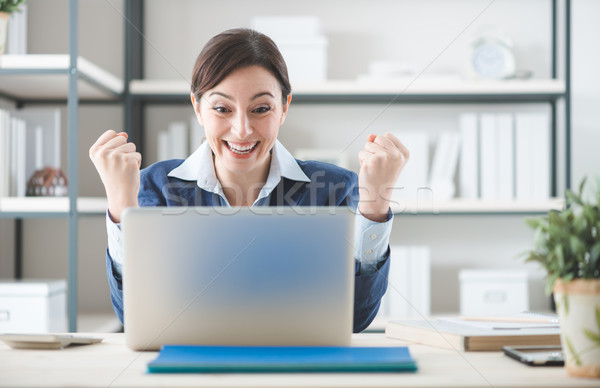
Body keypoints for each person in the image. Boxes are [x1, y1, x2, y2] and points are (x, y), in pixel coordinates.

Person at [89, 28, 409, 333]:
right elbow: (136, 318)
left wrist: (374, 206)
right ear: (197, 109)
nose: (241, 129)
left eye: (260, 108)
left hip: (299, 370)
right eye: (221, 108)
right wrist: (121, 206)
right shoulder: (153, 188)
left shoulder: (337, 189)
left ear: (284, 108)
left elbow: (355, 318)